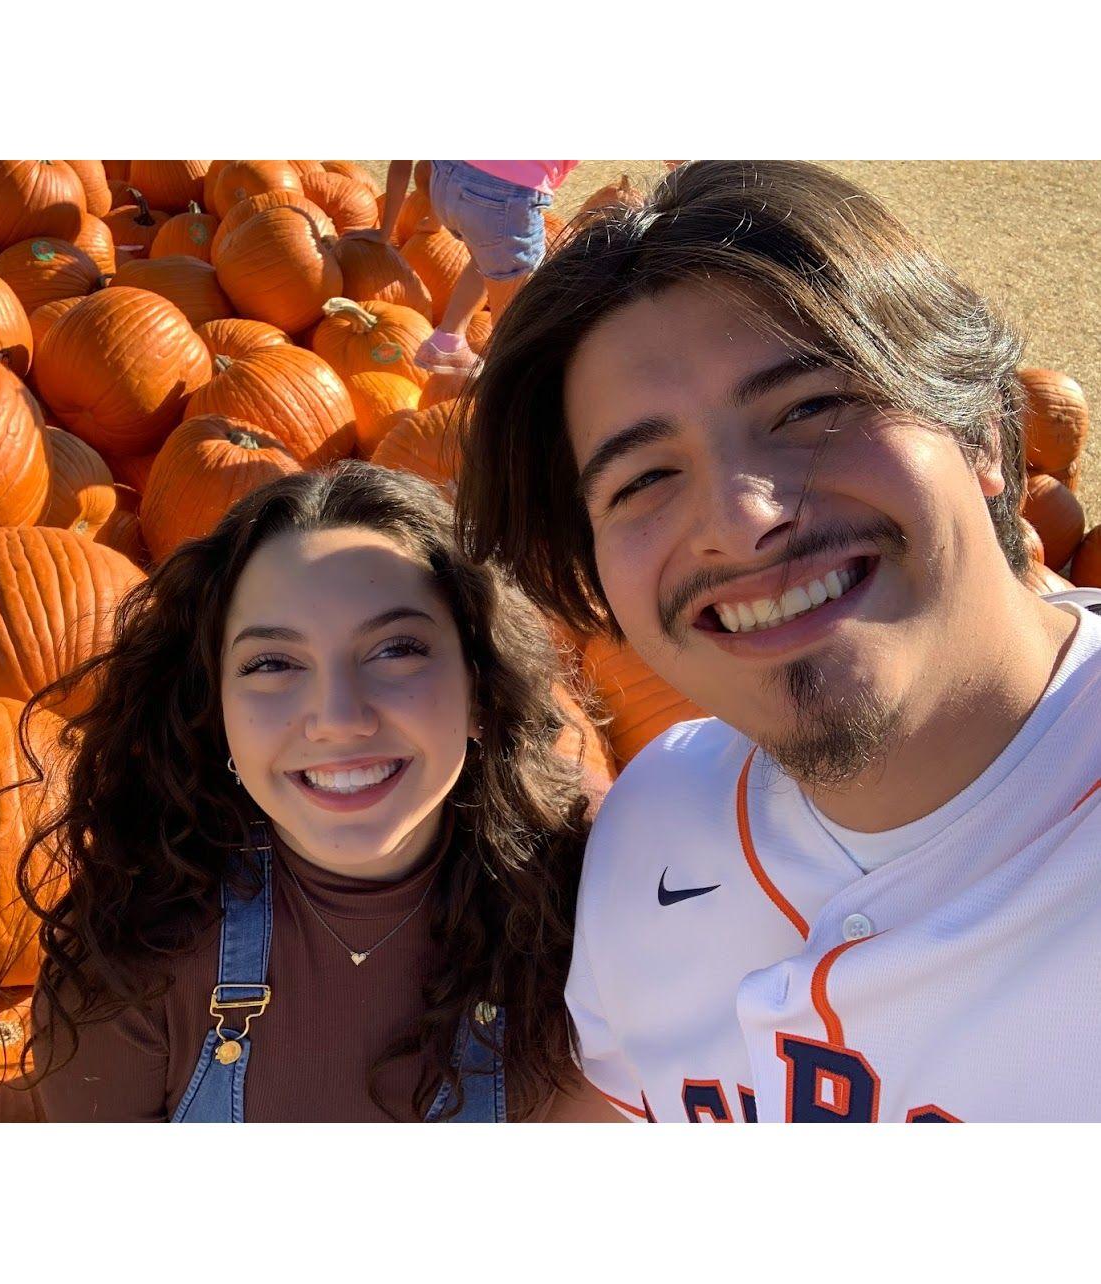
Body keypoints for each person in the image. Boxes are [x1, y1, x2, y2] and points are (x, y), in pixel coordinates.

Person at [455, 159, 1101, 1122]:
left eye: (809, 410)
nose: (745, 518)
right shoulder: (651, 825)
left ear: (982, 438)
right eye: (643, 480)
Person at [11, 462, 619, 1123]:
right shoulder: (135, 950)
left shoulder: (593, 911)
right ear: (215, 713)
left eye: (396, 649)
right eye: (273, 663)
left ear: (481, 687)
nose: (337, 717)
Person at [357, 159, 578, 373]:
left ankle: (447, 341)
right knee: (515, 315)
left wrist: (433, 220)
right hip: (501, 199)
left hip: (447, 181)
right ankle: (505, 378)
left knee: (489, 255)